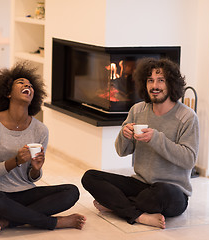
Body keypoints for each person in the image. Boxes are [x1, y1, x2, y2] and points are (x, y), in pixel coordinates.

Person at [81, 58, 199, 229]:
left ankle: (117, 205)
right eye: (150, 80)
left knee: (158, 194)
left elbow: (189, 159)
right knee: (90, 177)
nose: (154, 86)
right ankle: (139, 215)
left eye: (161, 80)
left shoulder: (187, 117)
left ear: (171, 84)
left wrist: (156, 138)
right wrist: (125, 134)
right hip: (141, 184)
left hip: (171, 191)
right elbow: (121, 151)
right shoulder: (138, 110)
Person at [0, 62, 86, 236]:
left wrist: (36, 169)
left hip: (26, 193)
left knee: (71, 191)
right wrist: (16, 161)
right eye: (21, 82)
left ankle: (7, 221)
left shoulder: (40, 130)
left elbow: (32, 178)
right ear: (7, 93)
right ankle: (54, 223)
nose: (27, 85)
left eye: (30, 84)